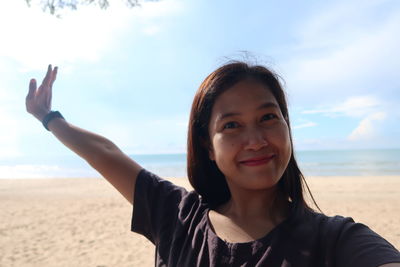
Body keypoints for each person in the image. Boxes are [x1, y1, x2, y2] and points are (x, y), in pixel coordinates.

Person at [26, 62, 400, 267]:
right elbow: (105, 153)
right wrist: (48, 117)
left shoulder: (334, 240)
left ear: (287, 127)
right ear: (208, 146)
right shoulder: (176, 216)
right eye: (232, 125)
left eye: (268, 118)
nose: (255, 140)